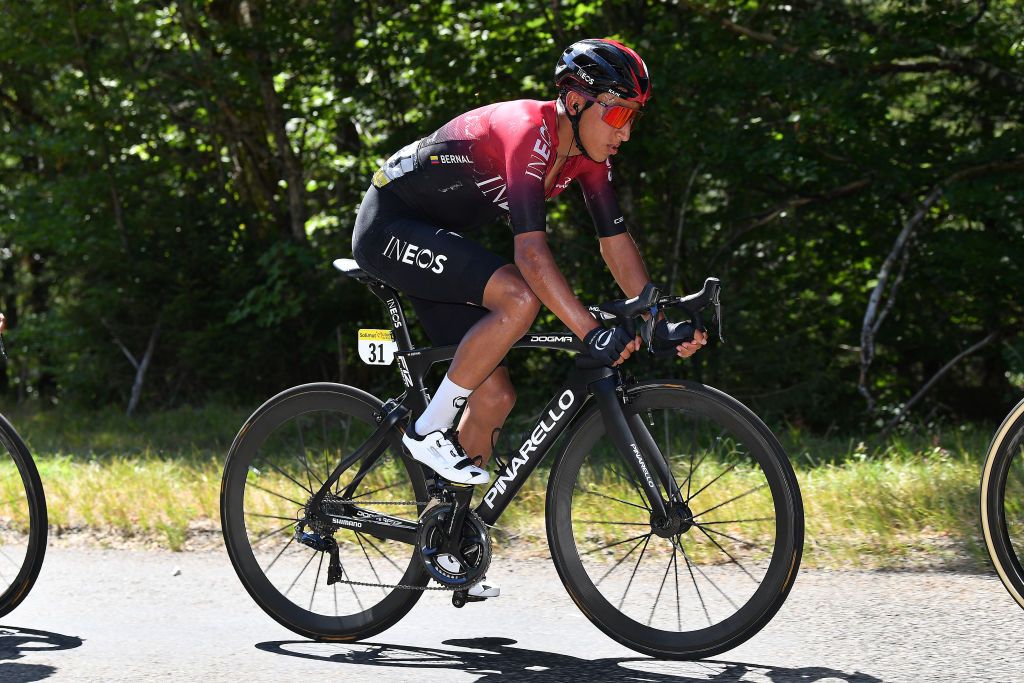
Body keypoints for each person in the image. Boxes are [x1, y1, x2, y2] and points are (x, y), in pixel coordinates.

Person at [351, 39, 707, 596]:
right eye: (617, 113)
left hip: (438, 241)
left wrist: (654, 314)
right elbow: (531, 257)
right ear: (574, 100)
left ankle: (449, 539)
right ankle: (425, 428)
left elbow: (615, 243)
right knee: (519, 296)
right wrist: (591, 330)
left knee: (494, 397)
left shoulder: (588, 160)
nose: (625, 132)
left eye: (633, 117)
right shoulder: (527, 132)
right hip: (389, 226)